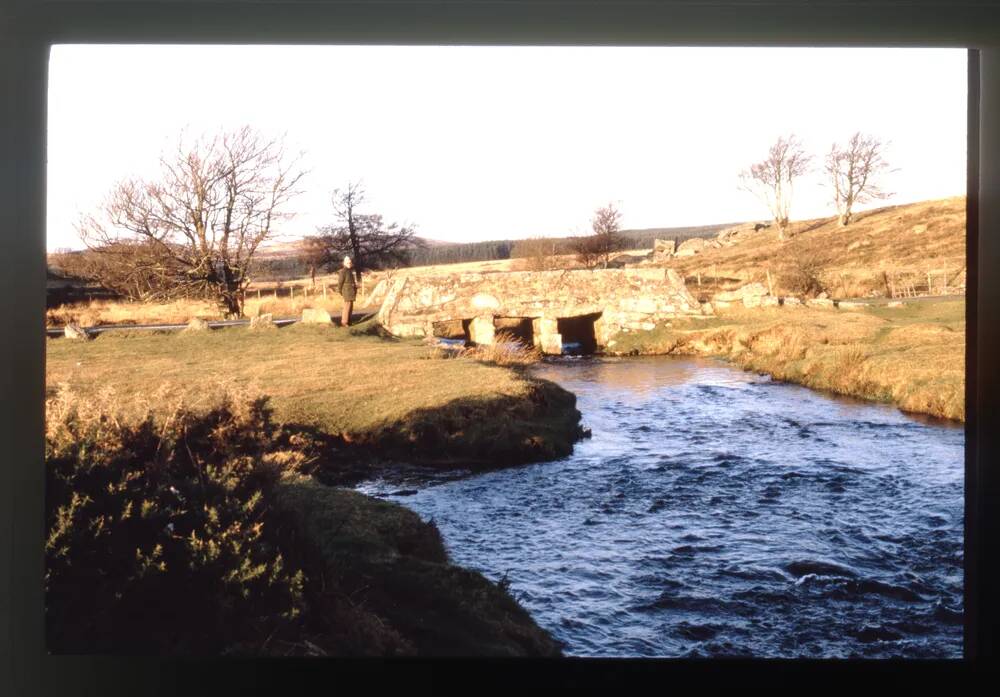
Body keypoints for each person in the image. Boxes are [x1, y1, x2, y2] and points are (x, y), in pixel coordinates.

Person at [337, 255, 358, 326]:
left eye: (350, 263)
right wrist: (340, 291)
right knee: (347, 307)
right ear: (345, 263)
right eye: (348, 263)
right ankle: (344, 322)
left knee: (350, 307)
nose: (349, 264)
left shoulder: (349, 271)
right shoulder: (342, 271)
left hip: (351, 291)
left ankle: (348, 321)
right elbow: (340, 283)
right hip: (346, 291)